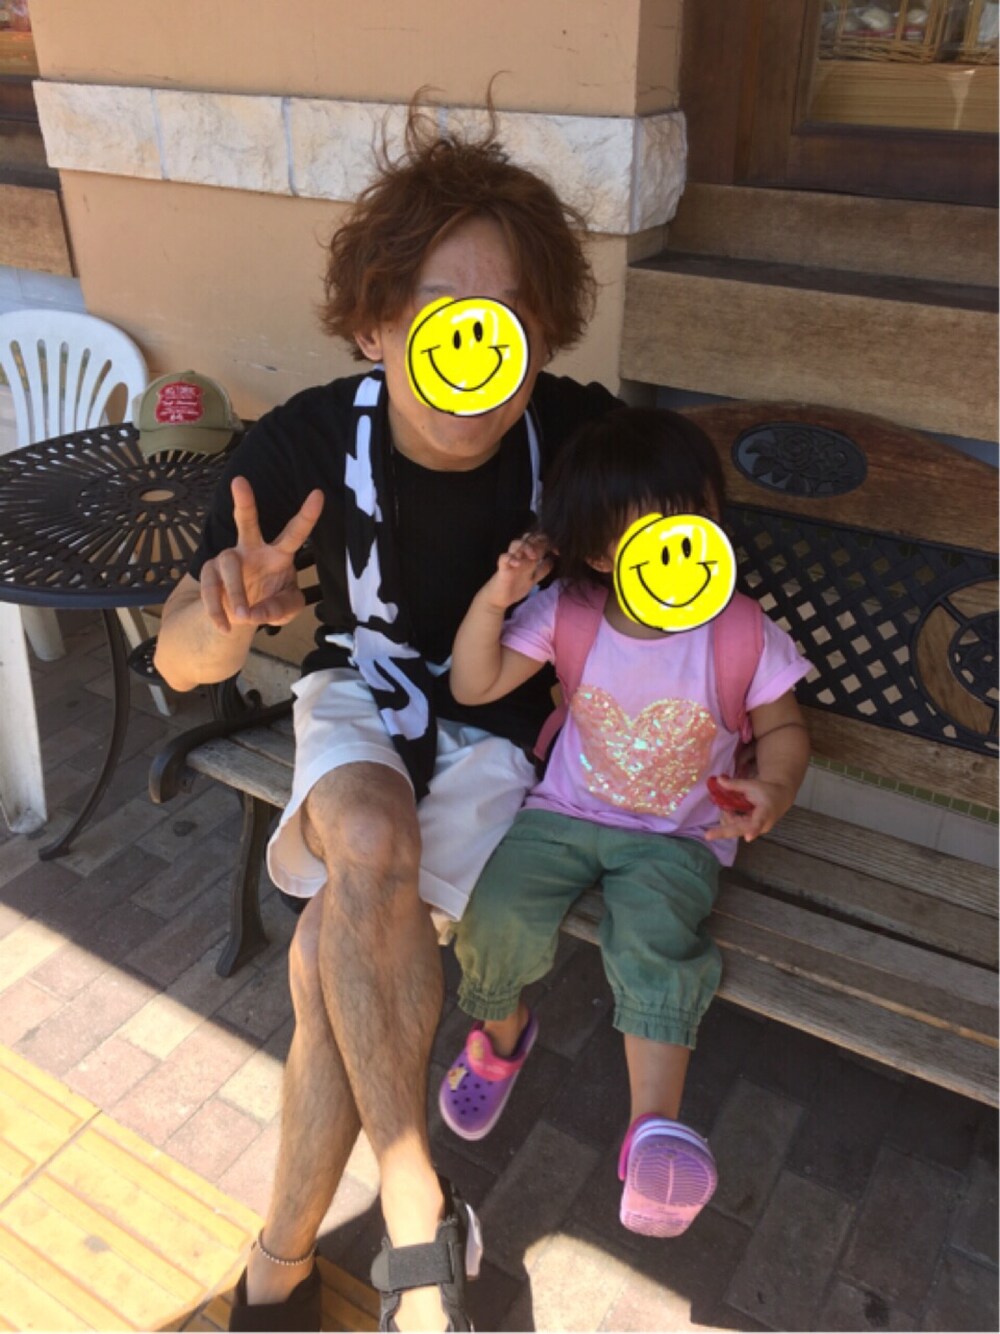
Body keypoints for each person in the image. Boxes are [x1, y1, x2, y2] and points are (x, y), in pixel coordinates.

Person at [153, 98, 620, 1333]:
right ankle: (416, 1199)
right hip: (359, 695)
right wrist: (228, 615)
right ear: (374, 323)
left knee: (328, 955)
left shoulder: (576, 438)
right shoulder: (308, 442)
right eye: (440, 311)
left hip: (499, 731)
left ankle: (279, 1265)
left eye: (508, 317)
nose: (477, 348)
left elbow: (684, 549)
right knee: (365, 832)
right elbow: (182, 659)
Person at [438, 407, 812, 1238]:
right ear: (604, 555)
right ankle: (502, 1032)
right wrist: (497, 599)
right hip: (564, 812)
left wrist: (773, 787)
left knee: (655, 947)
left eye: (697, 521)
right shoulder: (570, 613)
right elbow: (473, 684)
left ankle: (655, 1130)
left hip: (677, 837)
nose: (685, 550)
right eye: (655, 535)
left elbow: (784, 727)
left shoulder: (739, 631)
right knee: (495, 914)